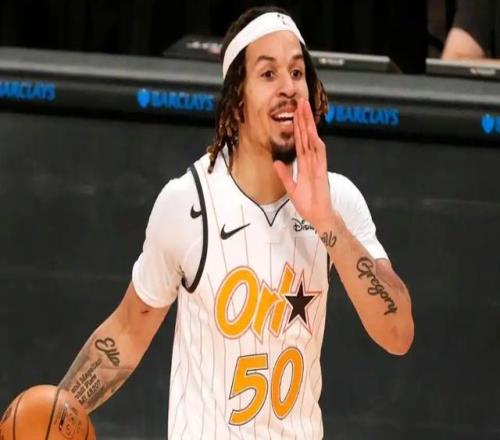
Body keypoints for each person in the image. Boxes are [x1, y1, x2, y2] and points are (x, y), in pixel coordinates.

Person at [58, 6, 414, 439]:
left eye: (297, 73)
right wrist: (58, 409)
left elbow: (398, 333)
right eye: (268, 74)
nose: (288, 87)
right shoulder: (187, 202)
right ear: (237, 100)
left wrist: (328, 224)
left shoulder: (336, 198)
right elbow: (129, 330)